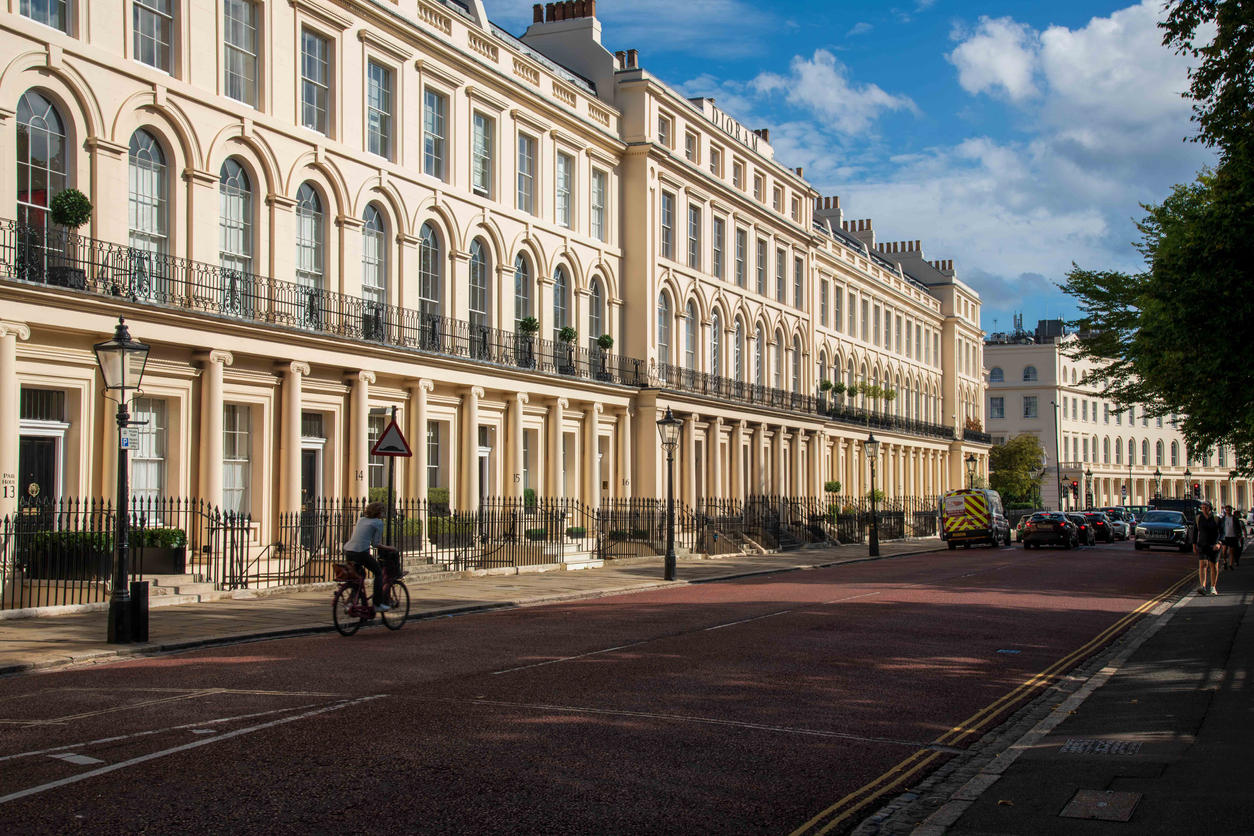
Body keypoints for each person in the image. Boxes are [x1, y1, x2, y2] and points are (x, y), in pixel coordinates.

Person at [343, 501, 390, 611]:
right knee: (378, 572)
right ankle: (377, 604)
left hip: (349, 551)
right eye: (382, 512)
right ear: (379, 513)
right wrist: (389, 547)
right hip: (361, 552)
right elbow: (376, 544)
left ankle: (354, 599)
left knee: (360, 576)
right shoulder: (378, 523)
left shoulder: (361, 520)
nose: (382, 514)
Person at [1194, 501, 1221, 595]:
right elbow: (1195, 532)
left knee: (1213, 565)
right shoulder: (1198, 518)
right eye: (1202, 508)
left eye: (1205, 508)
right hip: (1202, 544)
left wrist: (1219, 543)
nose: (1204, 510)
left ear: (1210, 508)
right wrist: (1194, 545)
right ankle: (1203, 586)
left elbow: (1223, 532)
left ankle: (1213, 587)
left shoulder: (1216, 518)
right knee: (1203, 565)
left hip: (1214, 545)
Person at [1220, 505, 1244, 570]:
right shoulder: (1222, 519)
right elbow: (1220, 528)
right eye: (1227, 510)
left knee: (1232, 551)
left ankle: (1230, 564)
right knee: (1224, 551)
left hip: (1233, 536)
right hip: (1225, 537)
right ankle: (1225, 562)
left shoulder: (1235, 519)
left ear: (1231, 510)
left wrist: (1239, 535)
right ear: (1225, 510)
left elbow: (1238, 528)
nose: (1228, 511)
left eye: (1229, 510)